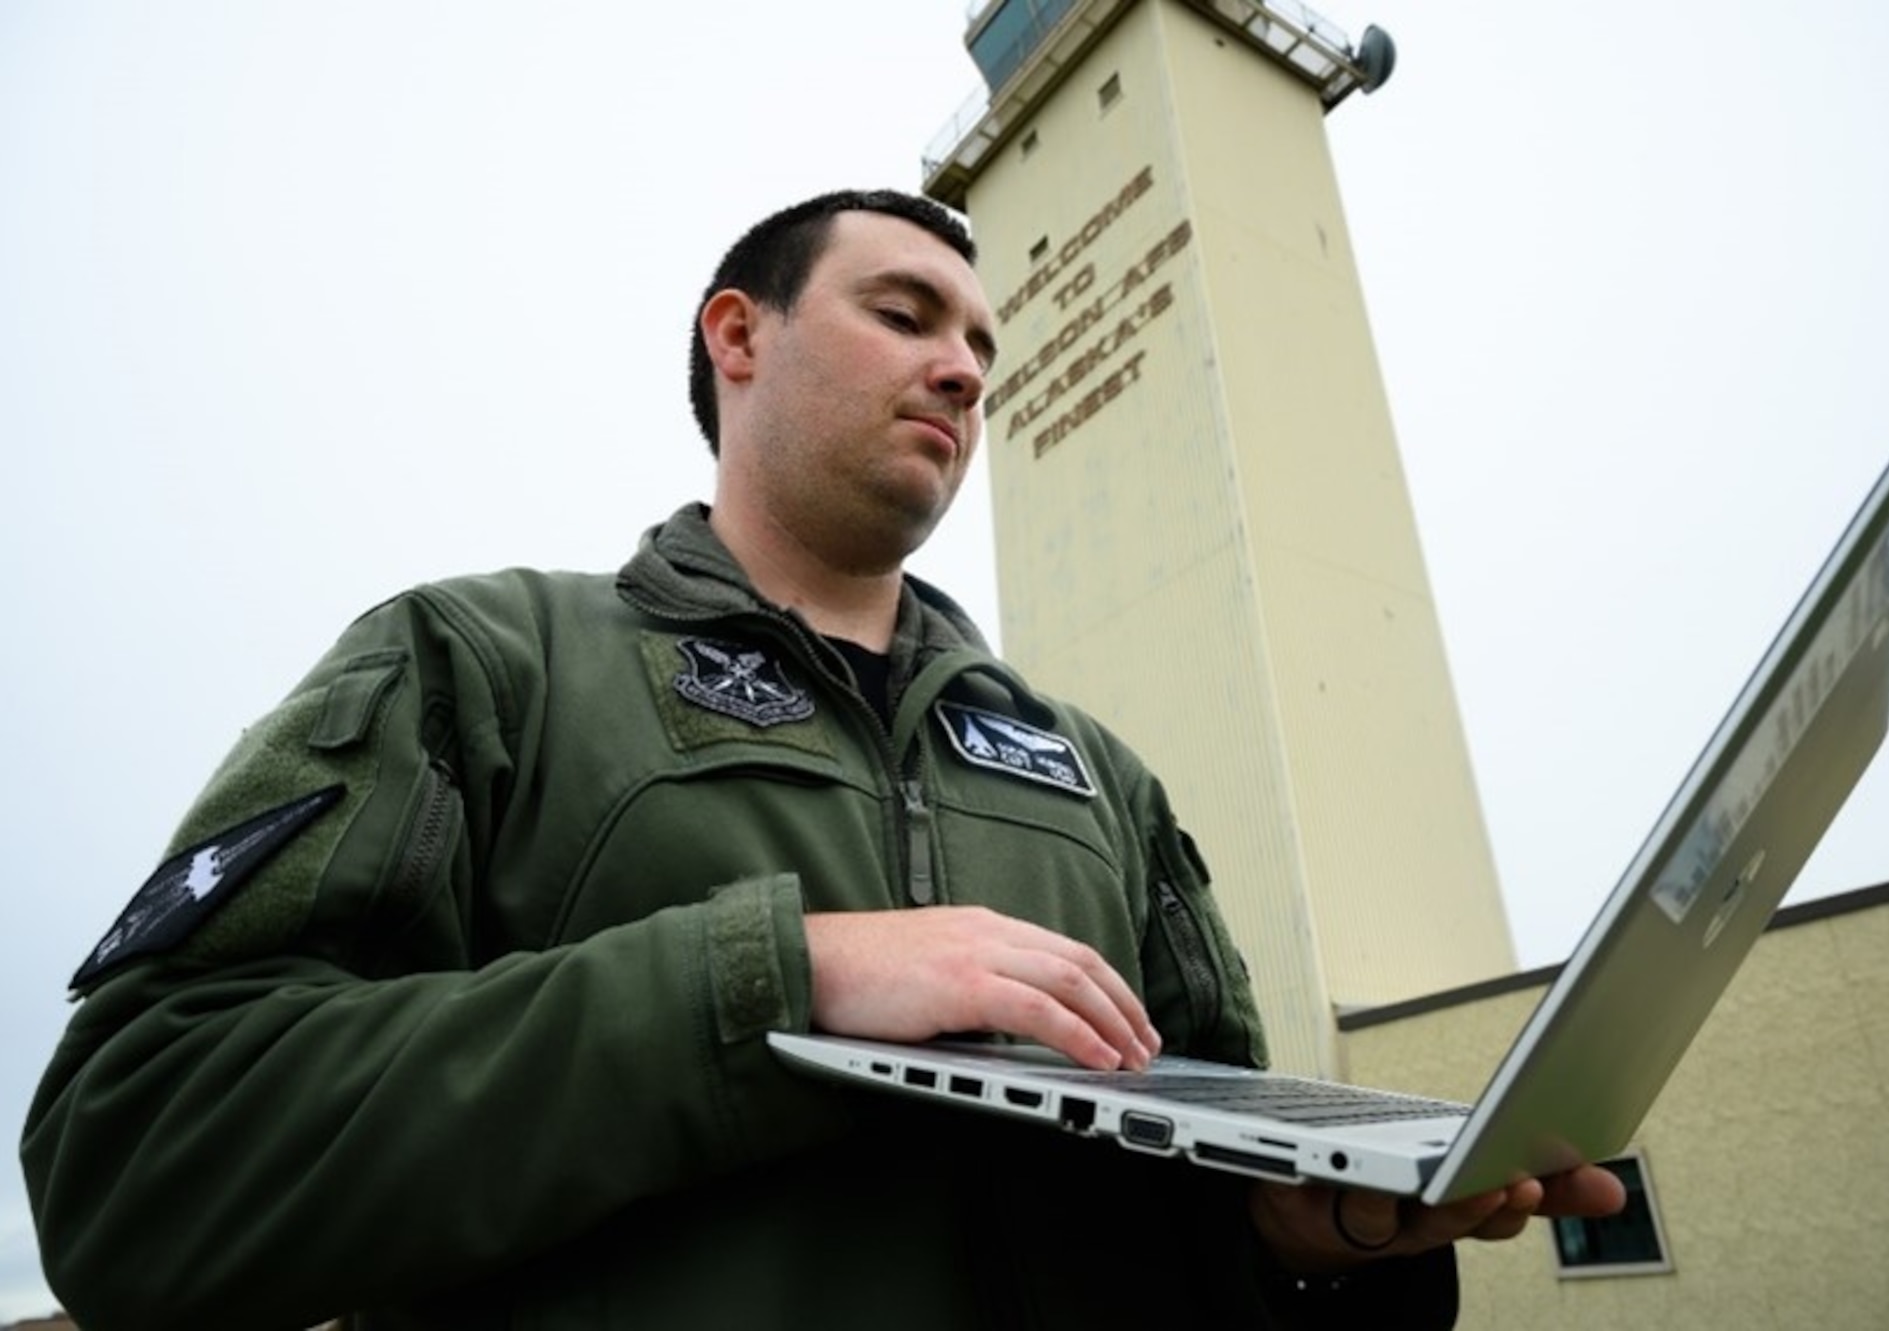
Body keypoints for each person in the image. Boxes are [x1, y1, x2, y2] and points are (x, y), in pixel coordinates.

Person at [21, 189, 1622, 1329]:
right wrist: (776, 980)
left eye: (984, 344)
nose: (965, 370)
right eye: (906, 313)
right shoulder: (479, 664)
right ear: (739, 335)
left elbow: (1198, 1202)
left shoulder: (1101, 779)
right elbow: (143, 1158)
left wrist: (1306, 1238)